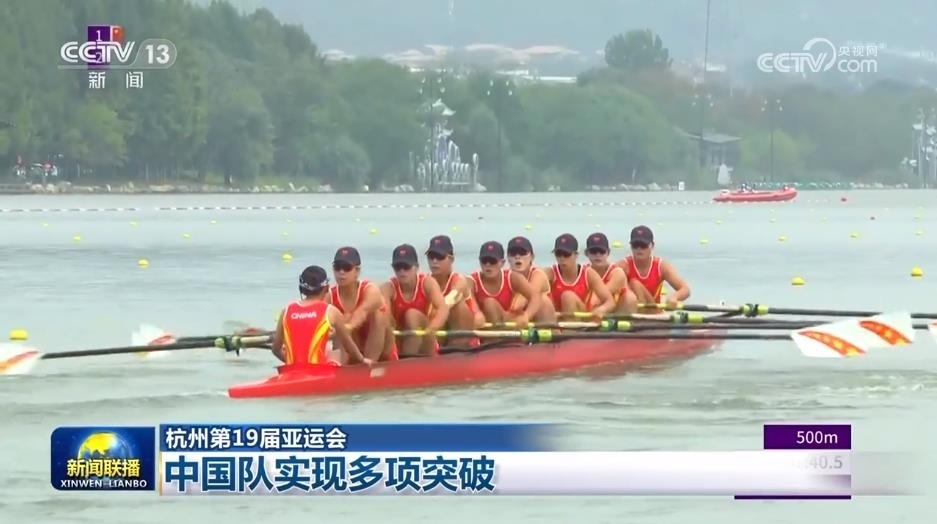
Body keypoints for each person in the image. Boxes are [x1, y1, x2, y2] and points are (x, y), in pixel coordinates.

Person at [271, 265, 372, 369]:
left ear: (301, 289)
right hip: (321, 372)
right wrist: (362, 359)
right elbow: (347, 345)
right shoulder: (331, 311)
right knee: (333, 350)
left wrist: (290, 364)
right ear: (326, 288)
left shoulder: (287, 310)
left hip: (293, 371)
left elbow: (275, 349)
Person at [328, 246, 397, 362]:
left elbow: (362, 312)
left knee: (379, 314)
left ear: (357, 271)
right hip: (353, 350)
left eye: (346, 267)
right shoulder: (329, 295)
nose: (341, 272)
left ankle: (370, 362)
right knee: (341, 319)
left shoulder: (370, 289)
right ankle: (341, 366)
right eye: (337, 267)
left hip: (382, 350)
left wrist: (344, 328)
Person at [380, 244, 450, 357]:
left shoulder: (427, 283)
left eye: (406, 267)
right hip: (399, 337)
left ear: (416, 267)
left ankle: (407, 359)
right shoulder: (387, 288)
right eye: (398, 267)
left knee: (411, 315)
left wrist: (432, 328)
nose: (402, 271)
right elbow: (385, 317)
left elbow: (443, 309)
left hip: (425, 337)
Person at [425, 234, 485, 344]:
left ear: (451, 259)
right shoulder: (425, 282)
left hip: (465, 334)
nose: (434, 261)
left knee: (457, 307)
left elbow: (447, 303)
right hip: (440, 333)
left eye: (439, 256)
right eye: (431, 256)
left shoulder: (459, 281)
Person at [469, 240, 541, 327]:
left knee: (544, 302)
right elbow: (471, 303)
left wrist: (527, 315)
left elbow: (535, 296)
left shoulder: (512, 277)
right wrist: (476, 313)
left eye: (492, 261)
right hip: (483, 324)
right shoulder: (472, 281)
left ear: (502, 263)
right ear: (480, 262)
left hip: (504, 320)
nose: (488, 265)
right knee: (489, 303)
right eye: (484, 261)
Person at [618, 225, 691, 310]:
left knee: (635, 284)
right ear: (631, 246)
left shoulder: (661, 266)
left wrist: (674, 297)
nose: (639, 249)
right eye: (635, 245)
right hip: (630, 311)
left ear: (652, 246)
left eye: (643, 245)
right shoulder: (623, 266)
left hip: (653, 312)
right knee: (634, 284)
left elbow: (685, 289)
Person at [547, 233, 615, 317]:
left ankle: (569, 324)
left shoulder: (589, 274)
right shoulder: (549, 273)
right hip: (556, 318)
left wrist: (601, 310)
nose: (562, 258)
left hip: (581, 318)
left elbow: (610, 302)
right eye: (558, 254)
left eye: (566, 254)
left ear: (576, 255)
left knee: (568, 296)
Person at [505, 236, 557, 323]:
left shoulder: (538, 275)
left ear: (532, 257)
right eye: (513, 253)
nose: (517, 256)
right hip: (517, 322)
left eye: (522, 252)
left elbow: (525, 298)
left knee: (542, 299)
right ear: (508, 258)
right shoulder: (505, 276)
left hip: (542, 321)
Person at [583, 232, 638, 313]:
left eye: (602, 251)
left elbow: (598, 298)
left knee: (630, 298)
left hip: (614, 311)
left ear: (608, 252)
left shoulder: (617, 273)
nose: (598, 255)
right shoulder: (584, 271)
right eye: (593, 251)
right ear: (586, 253)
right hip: (593, 310)